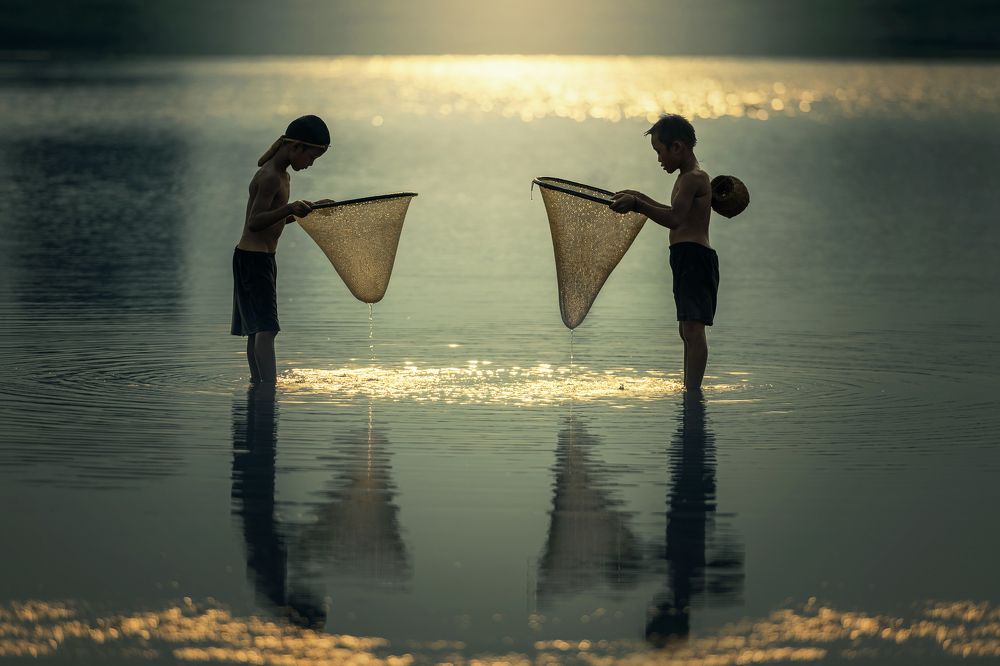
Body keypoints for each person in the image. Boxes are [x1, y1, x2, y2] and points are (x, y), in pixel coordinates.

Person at [610, 114, 718, 391]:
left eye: (660, 151)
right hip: (684, 258)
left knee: (693, 329)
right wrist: (638, 197)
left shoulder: (694, 178)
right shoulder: (685, 178)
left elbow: (675, 219)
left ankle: (693, 390)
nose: (659, 159)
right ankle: (689, 389)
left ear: (677, 147)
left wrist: (638, 205)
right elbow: (673, 211)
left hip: (695, 258)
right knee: (685, 328)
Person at [232, 115, 333, 385]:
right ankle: (268, 388)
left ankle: (259, 387)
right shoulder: (270, 177)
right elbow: (255, 222)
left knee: (257, 330)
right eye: (311, 157)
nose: (310, 164)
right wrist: (290, 207)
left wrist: (309, 210)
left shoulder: (282, 176)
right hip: (254, 260)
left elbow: (273, 220)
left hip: (258, 258)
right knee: (266, 329)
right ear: (296, 147)